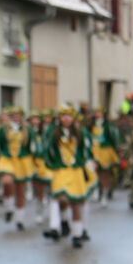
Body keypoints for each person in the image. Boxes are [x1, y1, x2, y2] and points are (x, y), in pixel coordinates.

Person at [43, 105, 96, 248]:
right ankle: (55, 227)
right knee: (58, 197)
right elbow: (47, 150)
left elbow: (87, 150)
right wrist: (52, 164)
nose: (66, 119)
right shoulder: (54, 133)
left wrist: (88, 163)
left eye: (69, 116)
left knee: (76, 202)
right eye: (63, 116)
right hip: (61, 171)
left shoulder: (81, 133)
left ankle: (77, 234)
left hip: (76, 171)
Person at [0, 107, 35, 230]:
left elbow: (31, 146)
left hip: (22, 161)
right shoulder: (4, 129)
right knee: (7, 182)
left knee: (20, 191)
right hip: (7, 159)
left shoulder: (27, 130)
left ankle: (20, 220)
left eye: (18, 115)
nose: (16, 117)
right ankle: (9, 208)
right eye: (13, 115)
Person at [89, 107, 120, 206]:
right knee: (93, 172)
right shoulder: (91, 125)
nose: (98, 114)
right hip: (94, 150)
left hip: (105, 151)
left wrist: (116, 150)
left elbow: (113, 138)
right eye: (97, 112)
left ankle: (104, 194)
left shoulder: (108, 126)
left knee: (105, 173)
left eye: (100, 113)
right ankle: (96, 191)